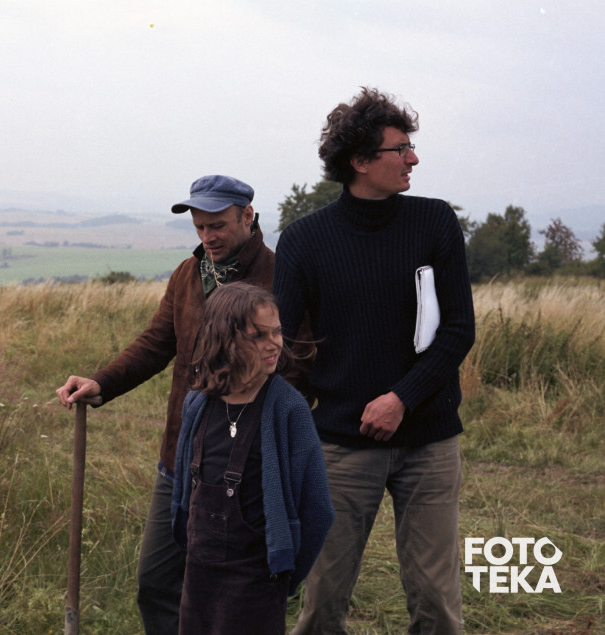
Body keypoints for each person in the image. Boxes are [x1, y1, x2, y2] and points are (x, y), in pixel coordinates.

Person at [56, 175, 312, 634]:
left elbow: (299, 361)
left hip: (246, 463)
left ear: (247, 216)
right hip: (179, 456)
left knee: (234, 592)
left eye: (217, 226)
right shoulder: (187, 275)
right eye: (199, 227)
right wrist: (102, 383)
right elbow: (157, 343)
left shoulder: (281, 276)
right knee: (156, 581)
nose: (207, 237)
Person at [272, 87, 476, 634]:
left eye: (411, 147)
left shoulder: (434, 222)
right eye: (400, 149)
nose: (414, 158)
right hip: (340, 443)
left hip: (430, 440)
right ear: (360, 162)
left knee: (436, 600)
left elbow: (459, 328)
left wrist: (401, 398)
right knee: (322, 600)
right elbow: (279, 343)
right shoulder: (304, 240)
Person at [170, 282, 334, 635]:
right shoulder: (197, 404)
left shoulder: (288, 409)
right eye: (258, 336)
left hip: (257, 581)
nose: (274, 343)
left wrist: (284, 577)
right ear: (224, 339)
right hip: (199, 574)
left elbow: (319, 510)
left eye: (277, 332)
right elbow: (184, 491)